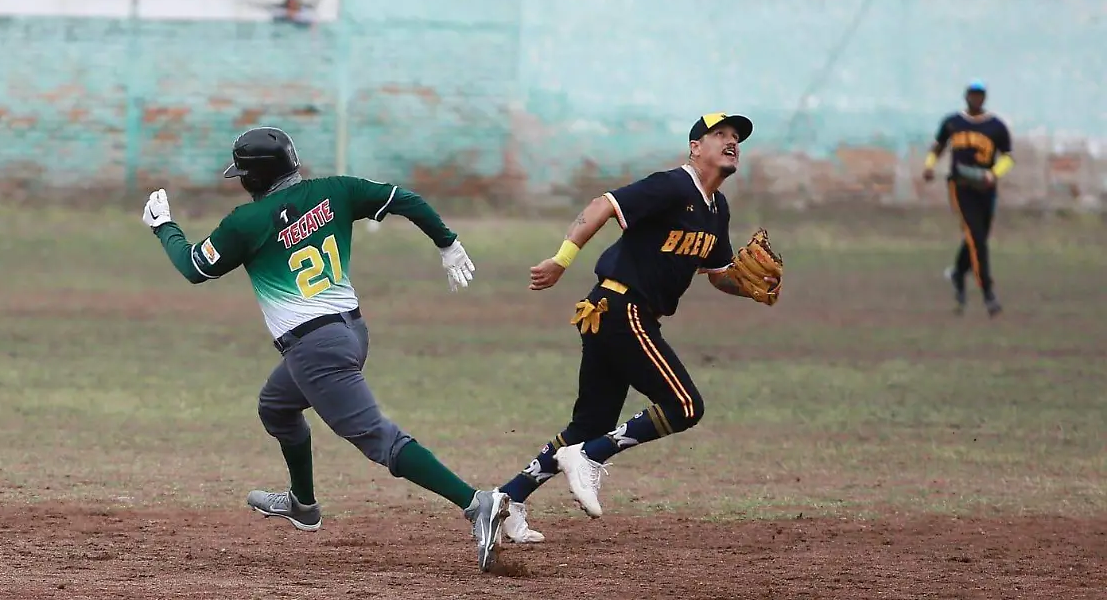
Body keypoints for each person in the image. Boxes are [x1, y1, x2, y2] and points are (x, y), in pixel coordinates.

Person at [140, 126, 511, 572]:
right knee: (276, 406)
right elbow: (406, 200)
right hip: (351, 332)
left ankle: (476, 503)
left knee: (379, 439)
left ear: (253, 178)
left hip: (315, 349)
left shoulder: (246, 222)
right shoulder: (337, 191)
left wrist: (164, 227)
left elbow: (195, 267)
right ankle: (303, 505)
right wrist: (447, 243)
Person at [496, 113, 782, 542]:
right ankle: (589, 458)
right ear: (695, 147)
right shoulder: (673, 185)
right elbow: (603, 206)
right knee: (684, 407)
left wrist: (752, 288)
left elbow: (719, 273)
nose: (731, 141)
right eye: (719, 134)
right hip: (620, 306)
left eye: (736, 137)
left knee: (588, 424)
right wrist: (561, 260)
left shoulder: (716, 208)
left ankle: (504, 500)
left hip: (616, 312)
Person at [923, 80, 1014, 316]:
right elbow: (938, 146)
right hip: (960, 187)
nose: (975, 99)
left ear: (984, 98)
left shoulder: (995, 126)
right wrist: (930, 166)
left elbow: (1008, 157)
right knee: (976, 238)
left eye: (979, 95)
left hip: (984, 188)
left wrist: (994, 175)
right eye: (972, 95)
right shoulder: (953, 122)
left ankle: (957, 273)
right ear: (966, 97)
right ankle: (988, 294)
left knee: (978, 237)